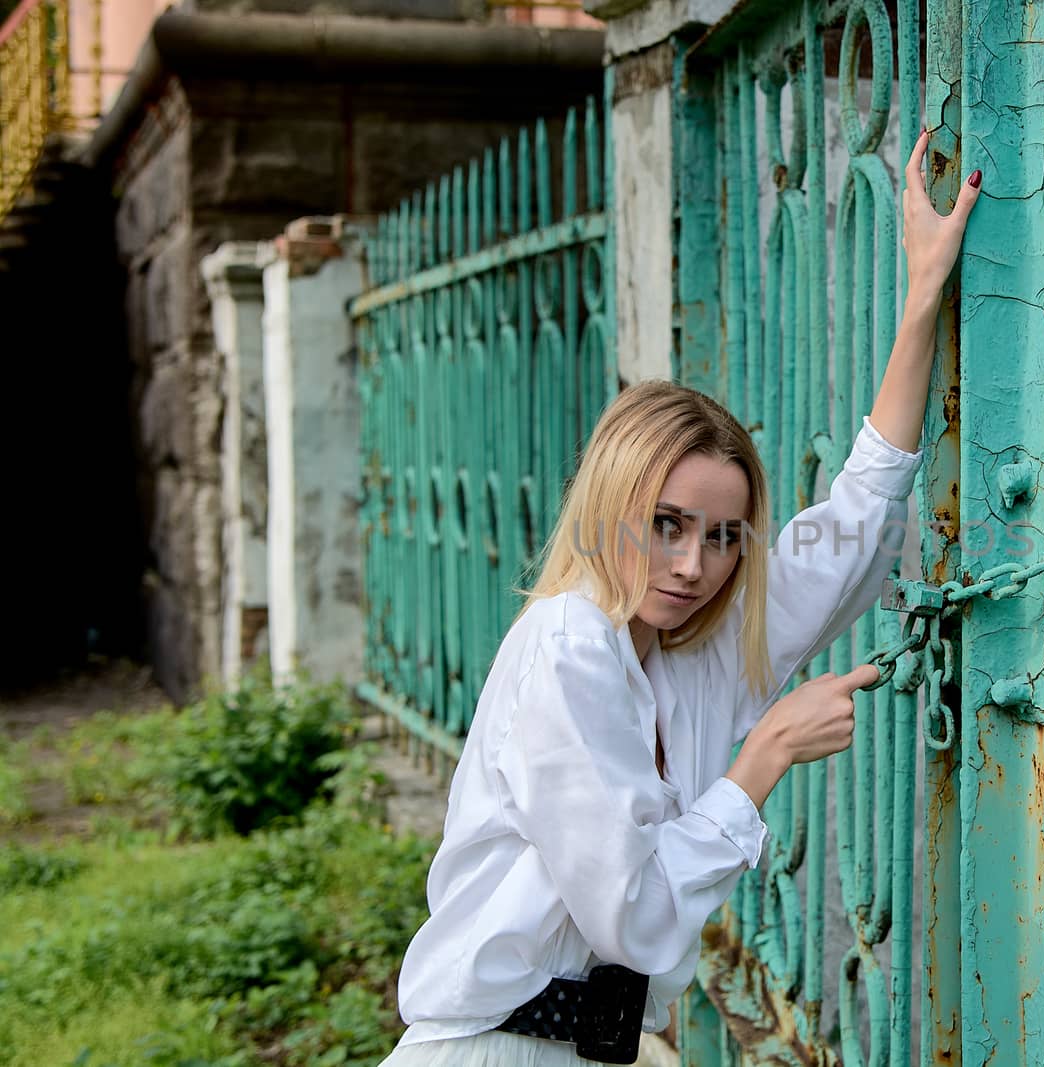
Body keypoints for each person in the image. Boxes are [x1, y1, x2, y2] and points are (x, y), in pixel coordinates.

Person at [379, 130, 981, 1065]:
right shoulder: (569, 646)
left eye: (723, 535)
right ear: (611, 504)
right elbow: (636, 921)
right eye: (665, 523)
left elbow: (861, 514)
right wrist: (767, 752)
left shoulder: (696, 653)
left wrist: (921, 298)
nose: (694, 564)